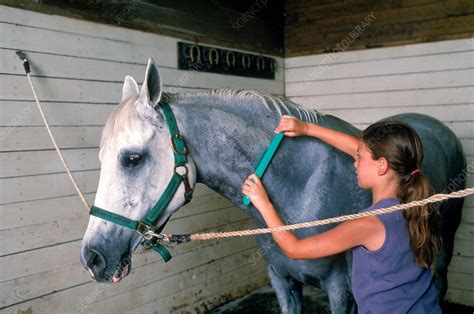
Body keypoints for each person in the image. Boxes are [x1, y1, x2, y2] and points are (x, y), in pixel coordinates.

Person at [242, 115, 441, 313]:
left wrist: (263, 203)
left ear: (381, 165)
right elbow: (359, 148)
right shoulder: (414, 204)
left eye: (359, 158)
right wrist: (306, 128)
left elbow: (295, 249)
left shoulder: (367, 225)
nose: (355, 162)